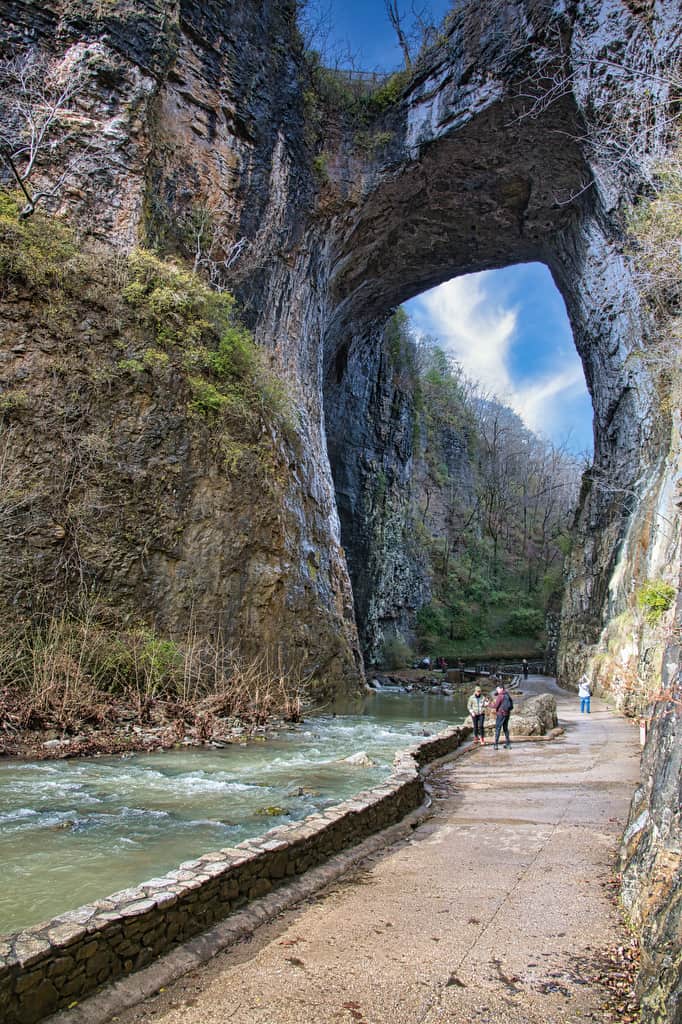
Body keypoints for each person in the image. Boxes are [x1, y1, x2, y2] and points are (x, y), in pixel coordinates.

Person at [492, 684, 513, 749]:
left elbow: (495, 706)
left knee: (498, 729)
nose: (497, 690)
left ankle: (496, 745)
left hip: (500, 714)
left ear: (501, 689)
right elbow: (511, 706)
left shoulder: (500, 696)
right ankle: (508, 744)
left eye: (497, 689)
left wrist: (488, 704)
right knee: (505, 729)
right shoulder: (507, 695)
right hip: (507, 714)